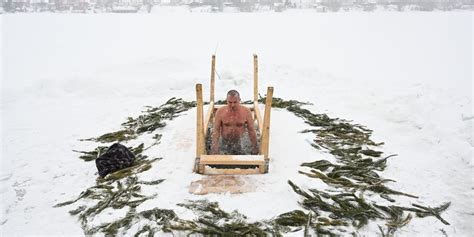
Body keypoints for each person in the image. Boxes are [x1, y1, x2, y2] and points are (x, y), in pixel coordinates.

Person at [211, 90, 258, 155]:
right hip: (225, 142)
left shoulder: (246, 112)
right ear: (226, 100)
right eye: (230, 102)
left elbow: (251, 130)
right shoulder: (220, 112)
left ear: (239, 100)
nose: (232, 105)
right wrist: (214, 147)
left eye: (235, 102)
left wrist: (254, 147)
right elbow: (216, 130)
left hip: (240, 142)